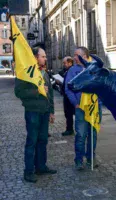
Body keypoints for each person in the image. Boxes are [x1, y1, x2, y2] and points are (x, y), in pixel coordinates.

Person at [15, 47, 57, 183]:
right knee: (32, 142)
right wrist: (37, 92)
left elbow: (49, 93)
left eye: (45, 57)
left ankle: (41, 166)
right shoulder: (25, 72)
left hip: (44, 112)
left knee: (43, 140)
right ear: (35, 57)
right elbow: (19, 92)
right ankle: (28, 171)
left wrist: (51, 111)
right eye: (43, 56)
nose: (45, 59)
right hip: (33, 112)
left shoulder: (44, 72)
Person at [65, 46, 102, 170]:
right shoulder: (72, 71)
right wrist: (75, 103)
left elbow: (102, 85)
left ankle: (91, 158)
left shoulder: (94, 68)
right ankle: (79, 160)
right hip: (80, 108)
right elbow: (68, 88)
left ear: (84, 56)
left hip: (95, 108)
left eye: (76, 55)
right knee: (81, 135)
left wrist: (100, 102)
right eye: (74, 55)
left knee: (93, 134)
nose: (74, 57)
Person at [58, 56, 75, 136]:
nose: (64, 64)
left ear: (70, 63)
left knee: (69, 113)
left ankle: (70, 129)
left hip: (70, 95)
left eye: (65, 63)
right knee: (67, 113)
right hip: (67, 95)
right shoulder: (67, 70)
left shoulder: (72, 70)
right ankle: (69, 129)